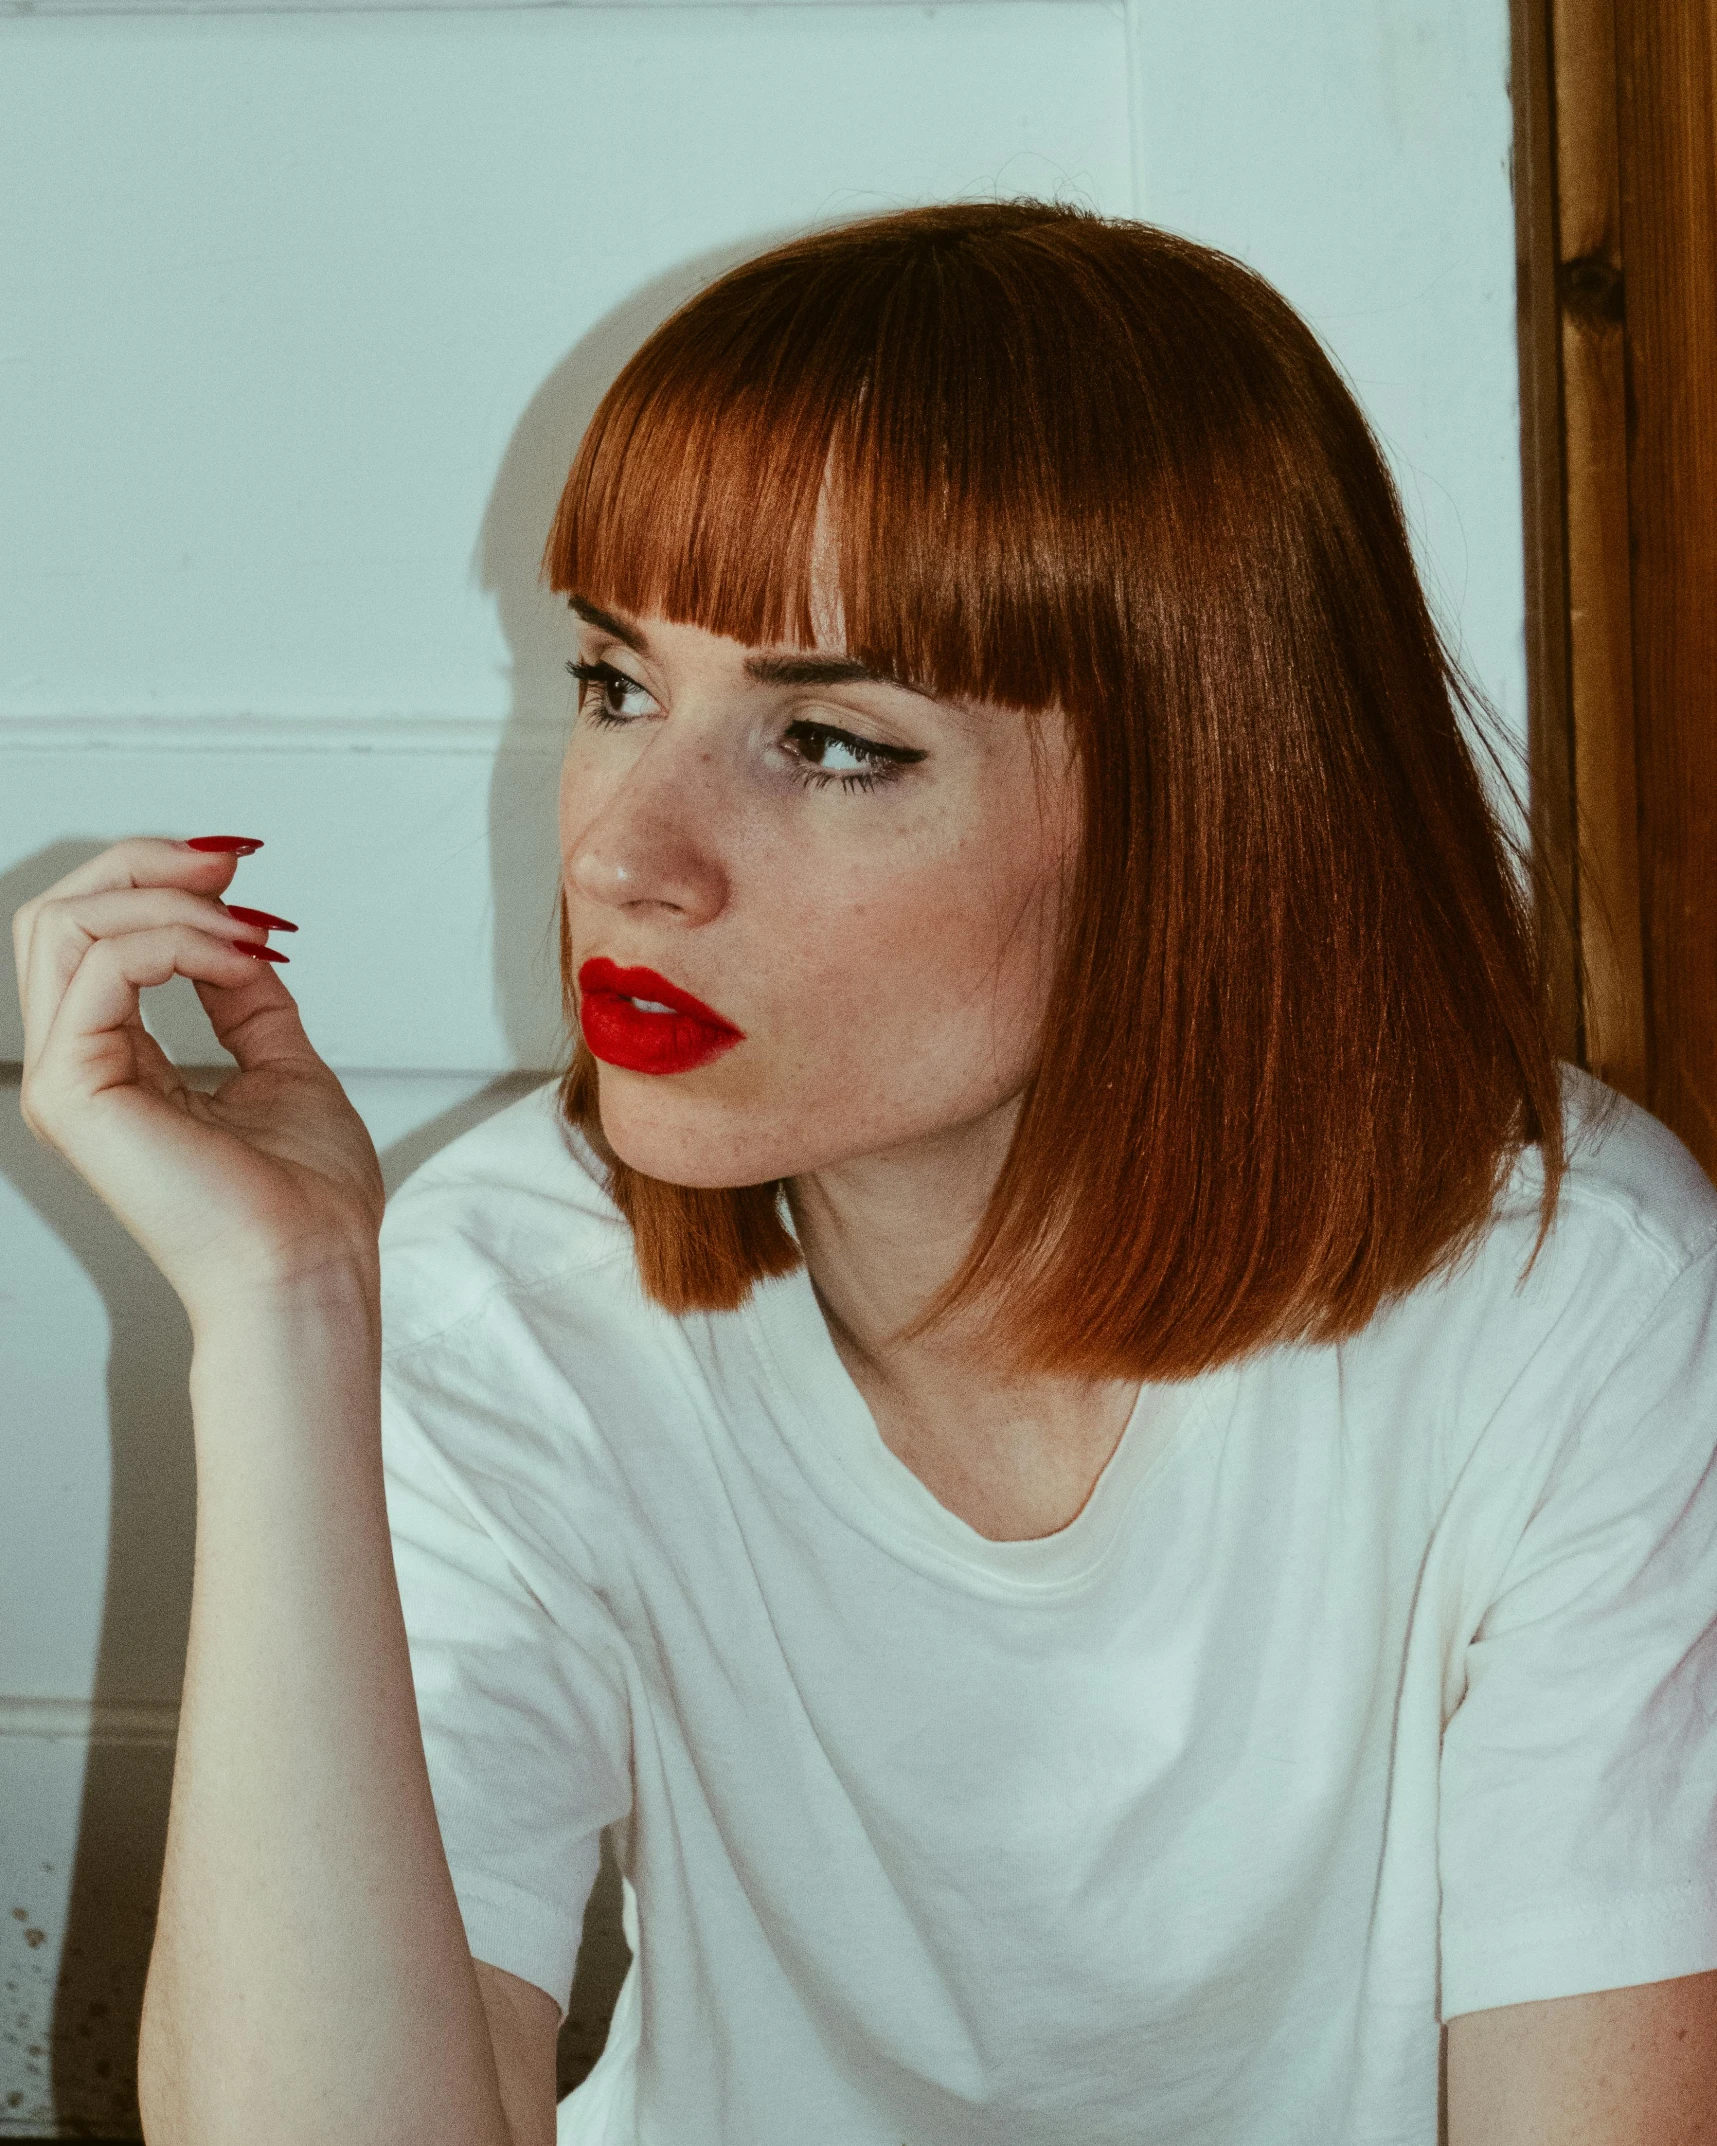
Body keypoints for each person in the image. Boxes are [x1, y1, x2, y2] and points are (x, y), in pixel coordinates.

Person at [12, 201, 1717, 2146]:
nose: (626, 857)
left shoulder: (1574, 1299)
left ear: (1206, 807)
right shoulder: (510, 1297)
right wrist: (285, 1317)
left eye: (829, 739)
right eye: (615, 685)